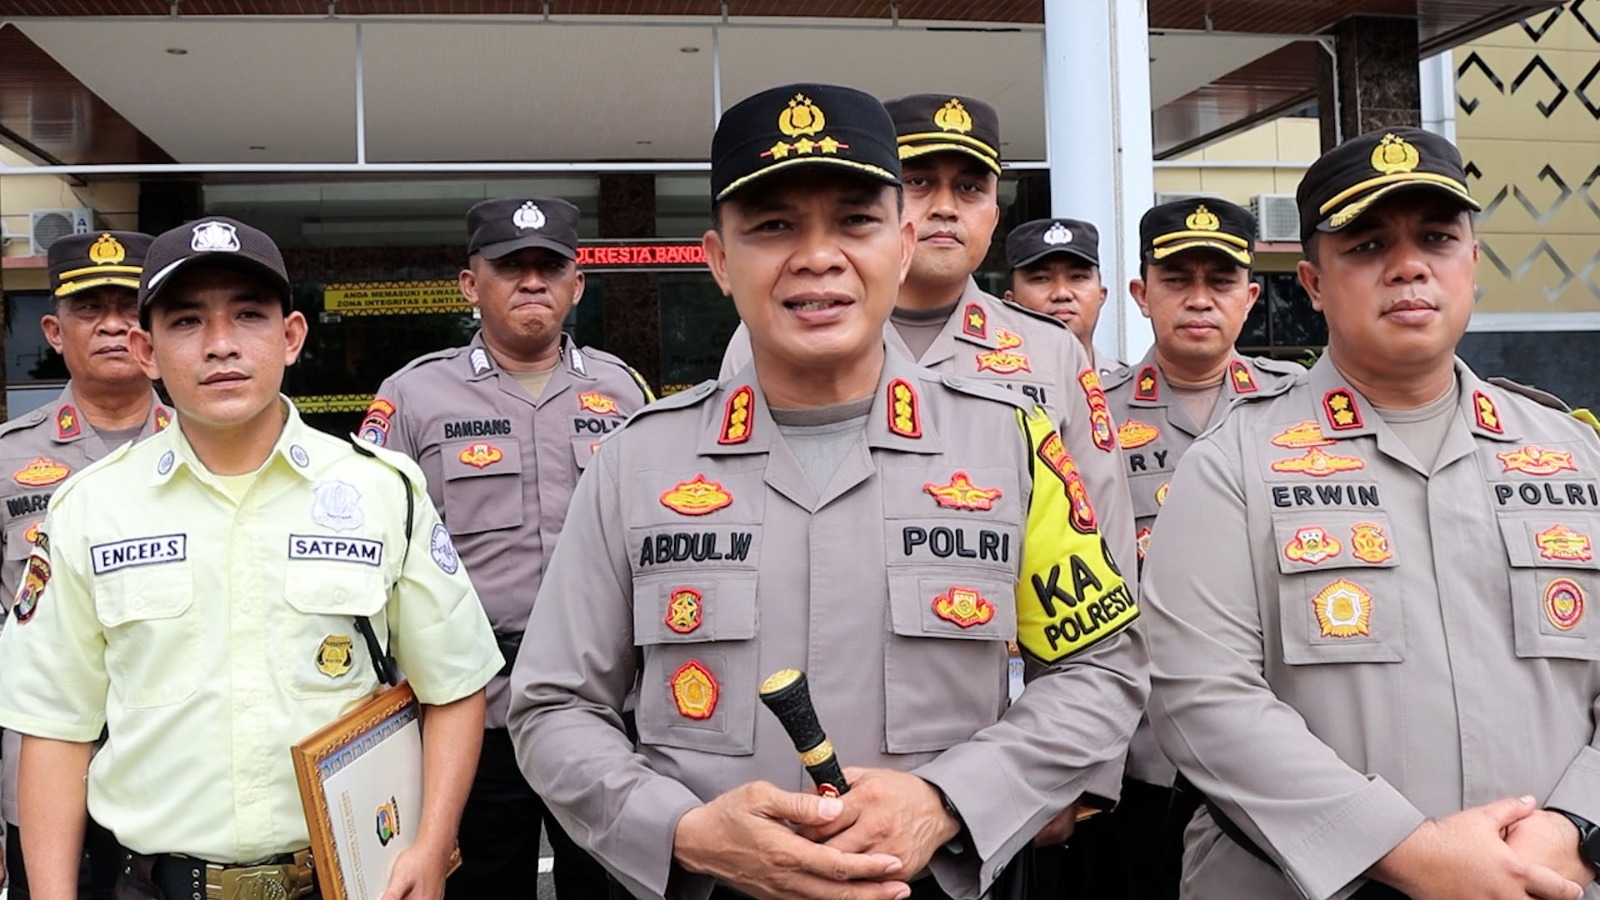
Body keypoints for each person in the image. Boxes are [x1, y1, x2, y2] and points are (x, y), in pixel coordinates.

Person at [508, 82, 1148, 900]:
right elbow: (553, 705)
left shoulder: (1012, 447)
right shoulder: (639, 462)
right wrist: (678, 829)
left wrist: (951, 801)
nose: (818, 256)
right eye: (773, 226)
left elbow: (1100, 669)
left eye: (855, 220)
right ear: (717, 260)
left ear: (904, 243)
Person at [1142, 126, 1600, 900]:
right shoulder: (1232, 465)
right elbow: (1200, 698)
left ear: (1475, 264)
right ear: (1313, 283)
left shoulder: (1574, 455)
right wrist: (1410, 854)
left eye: (1436, 237)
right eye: (1367, 245)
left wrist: (1575, 828)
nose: (1410, 265)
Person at [0, 216, 501, 900]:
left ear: (292, 337)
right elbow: (54, 729)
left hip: (346, 878)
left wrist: (431, 845)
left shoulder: (382, 491)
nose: (221, 345)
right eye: (186, 322)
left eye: (248, 315)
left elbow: (455, 686)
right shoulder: (90, 508)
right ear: (147, 350)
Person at [721, 93, 1137, 591]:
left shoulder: (1051, 351)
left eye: (969, 188)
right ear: (888, 205)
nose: (944, 208)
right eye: (919, 182)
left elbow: (1101, 534)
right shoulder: (766, 338)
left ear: (994, 214)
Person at [363, 196, 652, 899]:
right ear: (471, 284)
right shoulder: (414, 397)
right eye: (510, 267)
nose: (532, 282)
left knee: (611, 886)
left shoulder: (625, 392)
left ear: (575, 285)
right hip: (472, 709)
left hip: (602, 704)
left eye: (549, 267)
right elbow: (369, 554)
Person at [1060, 198, 1302, 900]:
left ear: (1251, 295)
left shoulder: (1298, 415)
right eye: (1177, 279)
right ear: (1141, 294)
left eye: (1221, 280)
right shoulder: (1088, 414)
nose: (1199, 299)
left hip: (1273, 747)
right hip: (1134, 760)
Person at [0, 231, 172, 899]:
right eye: (88, 309)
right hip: (40, 765)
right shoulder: (8, 459)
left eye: (128, 307)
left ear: (152, 329)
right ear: (53, 329)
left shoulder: (209, 446)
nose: (110, 325)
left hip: (171, 764)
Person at [1003, 217, 1119, 373]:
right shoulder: (992, 389)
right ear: (1011, 302)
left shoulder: (1124, 388)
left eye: (1078, 277)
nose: (1061, 293)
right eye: (1041, 278)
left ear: (1101, 295)